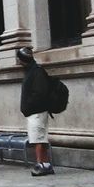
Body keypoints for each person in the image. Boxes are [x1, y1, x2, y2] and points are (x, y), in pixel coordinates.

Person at [18, 47, 55, 176]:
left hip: (37, 111)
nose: (18, 62)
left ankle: (40, 164)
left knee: (37, 138)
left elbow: (39, 92)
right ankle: (45, 164)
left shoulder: (36, 71)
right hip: (35, 111)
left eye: (20, 59)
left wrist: (28, 106)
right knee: (40, 138)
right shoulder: (31, 71)